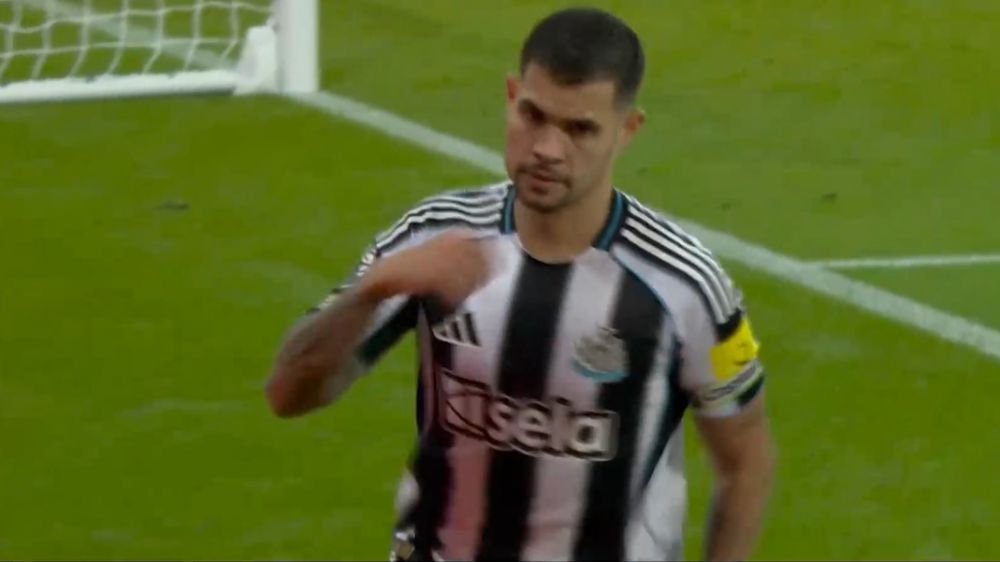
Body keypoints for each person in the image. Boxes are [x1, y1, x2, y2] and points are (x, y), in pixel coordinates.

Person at [266, 6, 775, 561]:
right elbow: (287, 394)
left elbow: (745, 460)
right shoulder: (432, 236)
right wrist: (373, 290)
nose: (547, 149)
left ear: (627, 130)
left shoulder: (683, 283)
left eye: (580, 129)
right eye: (533, 115)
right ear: (512, 96)